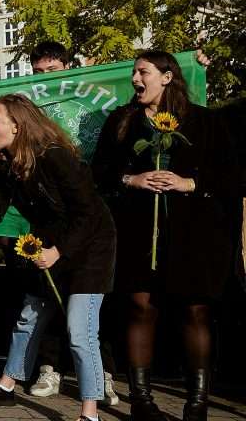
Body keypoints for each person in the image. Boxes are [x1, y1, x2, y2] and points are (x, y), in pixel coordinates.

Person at [92, 51, 235, 421]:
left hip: (194, 234)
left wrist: (191, 183)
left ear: (168, 77)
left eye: (143, 72)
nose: (135, 79)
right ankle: (141, 401)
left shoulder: (205, 122)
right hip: (139, 231)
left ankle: (197, 403)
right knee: (141, 308)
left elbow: (234, 176)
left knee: (195, 311)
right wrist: (132, 179)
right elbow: (100, 173)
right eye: (133, 73)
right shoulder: (122, 121)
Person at [0, 94, 116, 421]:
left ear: (16, 126)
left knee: (79, 329)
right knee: (29, 317)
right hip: (49, 245)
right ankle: (6, 387)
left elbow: (87, 214)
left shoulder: (55, 156)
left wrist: (58, 252)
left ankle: (89, 413)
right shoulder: (3, 161)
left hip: (90, 247)